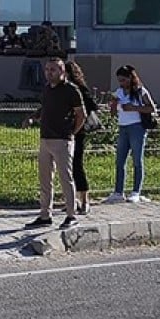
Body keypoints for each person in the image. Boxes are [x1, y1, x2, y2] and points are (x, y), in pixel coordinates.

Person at [24, 57, 85, 230]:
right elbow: (45, 108)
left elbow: (81, 114)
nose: (49, 73)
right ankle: (45, 214)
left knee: (66, 178)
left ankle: (71, 214)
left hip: (62, 139)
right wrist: (32, 117)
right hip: (45, 138)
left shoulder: (71, 90)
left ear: (62, 72)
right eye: (47, 70)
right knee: (45, 179)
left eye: (53, 70)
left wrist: (71, 132)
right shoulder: (47, 89)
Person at [104, 64, 156, 204]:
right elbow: (113, 114)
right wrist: (113, 105)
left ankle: (136, 191)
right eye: (119, 80)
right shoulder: (119, 92)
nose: (121, 83)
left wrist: (134, 108)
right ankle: (118, 191)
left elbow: (151, 108)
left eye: (124, 80)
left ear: (130, 78)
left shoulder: (140, 91)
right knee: (120, 160)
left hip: (137, 127)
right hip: (123, 127)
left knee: (137, 160)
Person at [65, 60, 100, 214]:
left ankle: (85, 199)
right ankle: (72, 199)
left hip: (78, 130)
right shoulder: (61, 88)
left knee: (77, 165)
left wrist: (78, 113)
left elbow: (92, 105)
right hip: (64, 131)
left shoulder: (78, 89)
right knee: (66, 168)